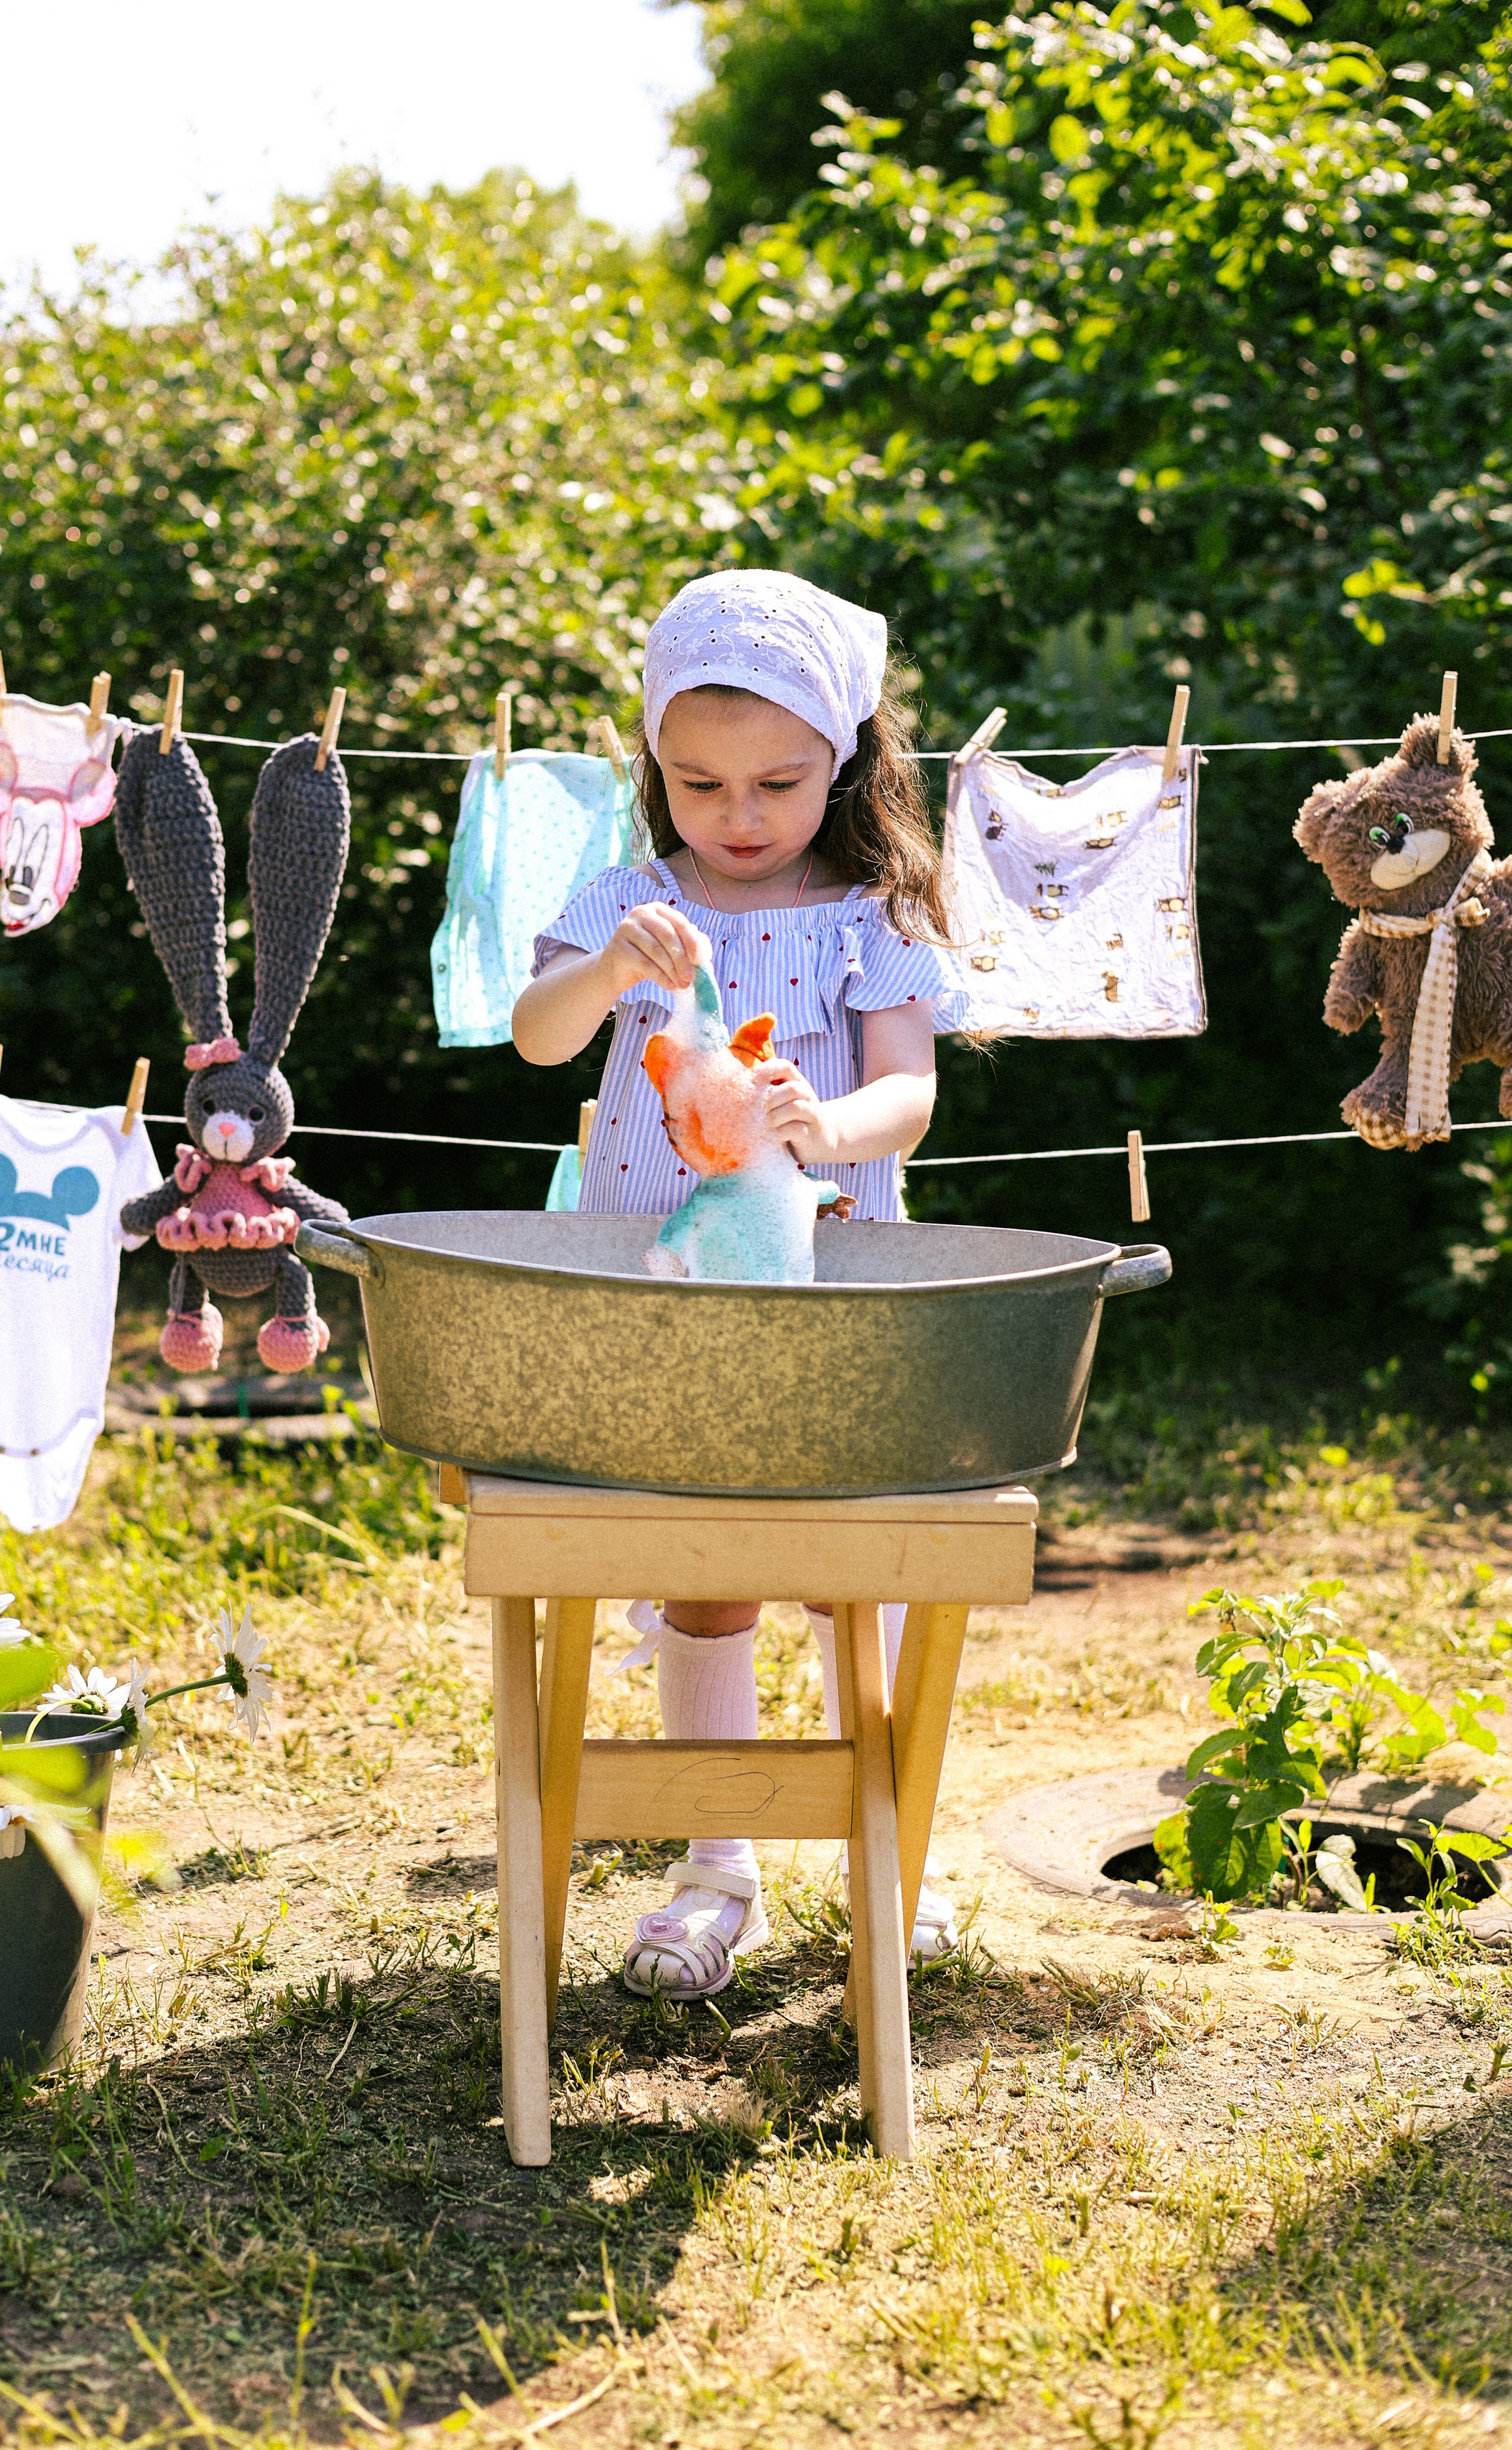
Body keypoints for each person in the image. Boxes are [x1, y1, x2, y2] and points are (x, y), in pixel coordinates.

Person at [511, 569, 972, 2002]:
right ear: (654, 765)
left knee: (851, 1579)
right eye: (698, 783)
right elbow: (538, 1038)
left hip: (833, 1294)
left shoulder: (871, 911)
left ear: (842, 759)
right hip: (666, 1305)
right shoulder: (630, 903)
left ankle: (888, 1856)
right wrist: (606, 970)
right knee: (704, 1578)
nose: (740, 815)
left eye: (777, 782)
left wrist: (827, 1126)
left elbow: (909, 1091)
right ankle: (717, 1867)